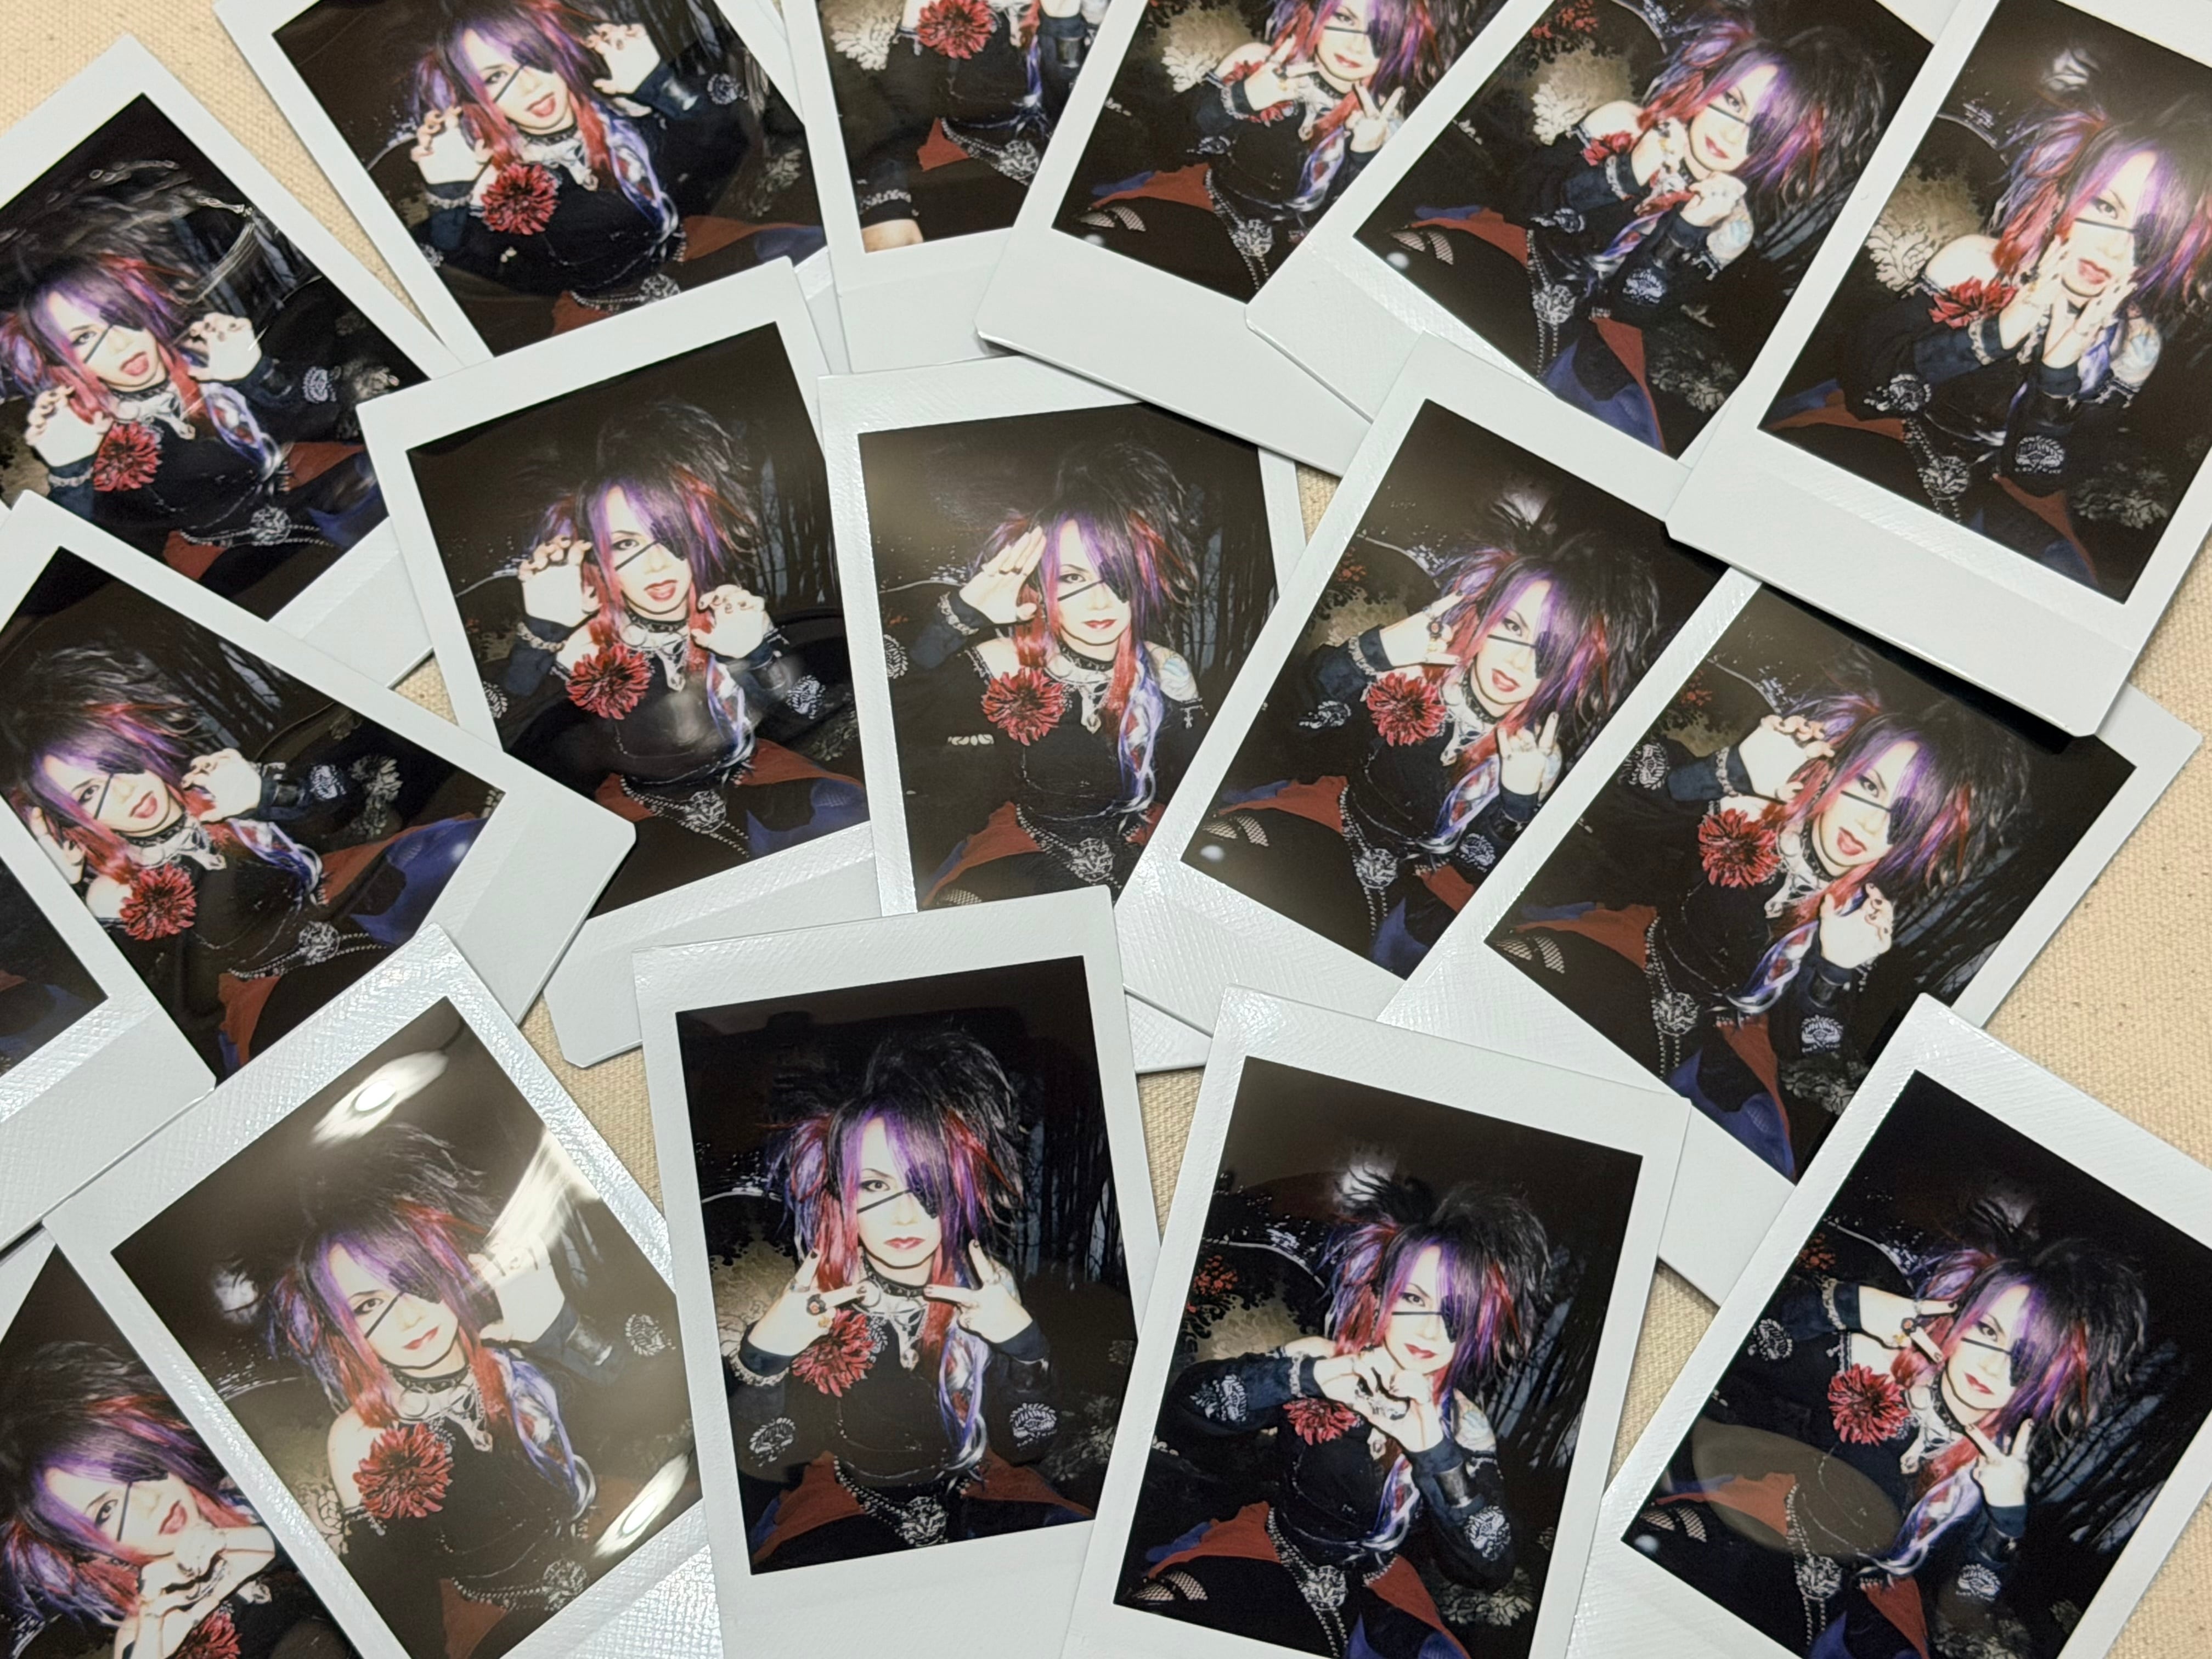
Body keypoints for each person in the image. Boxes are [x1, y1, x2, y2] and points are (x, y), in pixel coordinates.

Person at [1494, 692, 2028, 1177]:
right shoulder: (1754, 807)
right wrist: (1728, 771)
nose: (1870, 826)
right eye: (1869, 788)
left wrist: (1832, 972)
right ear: (1839, 767)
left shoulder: (1860, 917)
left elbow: (1808, 1045)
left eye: (1902, 822)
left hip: (1731, 1037)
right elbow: (1623, 786)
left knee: (1741, 1160)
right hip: (1641, 953)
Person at [249, 1122, 682, 1659]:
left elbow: (676, 1400)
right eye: (369, 1306)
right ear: (346, 1330)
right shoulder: (361, 1437)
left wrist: (562, 1331)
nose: (407, 1317)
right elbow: (391, 1598)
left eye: (414, 1279)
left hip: (619, 1544)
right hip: (504, 1622)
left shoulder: (522, 1343)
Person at [1373, 10, 1883, 448]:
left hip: (1591, 330)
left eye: (1761, 133)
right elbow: (1522, 201)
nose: (1731, 135)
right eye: (1732, 104)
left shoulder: (1732, 227)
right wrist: (1624, 174)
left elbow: (1632, 309)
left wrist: (1683, 233)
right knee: (1415, 292)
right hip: (1516, 251)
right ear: (1711, 84)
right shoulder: (1624, 123)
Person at [1771, 93, 2212, 591]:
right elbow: (1871, 389)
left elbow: (2038, 479)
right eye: (2105, 207)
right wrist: (1998, 333)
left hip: (2002, 496)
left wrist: (2057, 377)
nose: (2113, 246)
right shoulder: (1976, 264)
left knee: (2056, 589)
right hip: (1887, 435)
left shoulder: (2133, 345)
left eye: (2146, 237)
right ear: (2066, 193)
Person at [1634, 1230, 2146, 1659]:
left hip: (1865, 1608)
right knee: (1657, 1560)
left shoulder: (1994, 1470)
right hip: (1772, 1526)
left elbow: (1965, 1605)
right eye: (1988, 1331)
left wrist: (2005, 1519)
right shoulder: (1874, 1363)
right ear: (1963, 1316)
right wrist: (1846, 1306)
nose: (1992, 1367)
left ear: (2045, 1384)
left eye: (2024, 1361)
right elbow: (1734, 1344)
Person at [1193, 522, 1663, 972]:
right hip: (1333, 822)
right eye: (1513, 627)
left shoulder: (1538, 754)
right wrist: (1371, 655)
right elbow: (1294, 723)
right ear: (1486, 614)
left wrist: (1517, 806)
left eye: (1549, 654)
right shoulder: (1416, 668)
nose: (1519, 663)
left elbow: (1478, 868)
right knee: (1225, 867)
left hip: (1426, 895)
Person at [1123, 1167, 1550, 1659]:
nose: (1430, 1332)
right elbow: (1181, 1411)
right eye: (1414, 1299)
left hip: (1380, 1597)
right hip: (1267, 1554)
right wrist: (1306, 1378)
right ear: (1381, 1293)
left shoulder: (1463, 1424)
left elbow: (1491, 1568)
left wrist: (1433, 1451)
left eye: (1455, 1314)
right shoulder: (1320, 1359)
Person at [2, 644, 484, 1073]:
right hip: (271, 985)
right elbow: (144, 1004)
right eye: (90, 794)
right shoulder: (112, 893)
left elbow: (355, 798)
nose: (125, 792)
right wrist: (61, 895)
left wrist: (271, 794)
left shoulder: (219, 781)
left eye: (115, 763)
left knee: (458, 851)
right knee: (327, 1035)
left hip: (351, 892)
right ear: (75, 821)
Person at [728, 1029, 1081, 1565]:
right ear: (841, 1194)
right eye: (875, 1186)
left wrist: (1026, 1351)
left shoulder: (988, 1289)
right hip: (847, 1509)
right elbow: (768, 1457)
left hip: (982, 1493)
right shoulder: (817, 1299)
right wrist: (764, 1360)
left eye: (927, 1186)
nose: (904, 1216)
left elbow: (1029, 1442)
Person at [491, 403, 862, 901]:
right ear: (597, 556)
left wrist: (757, 655)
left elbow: (819, 715)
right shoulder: (579, 643)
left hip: (763, 782)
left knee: (846, 821)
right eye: (626, 545)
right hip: (647, 815)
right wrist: (539, 635)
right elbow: (492, 750)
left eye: (668, 536)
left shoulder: (729, 616)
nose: (657, 566)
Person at [0, 163, 399, 605]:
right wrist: (69, 473)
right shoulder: (81, 434)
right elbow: (62, 574)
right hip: (222, 551)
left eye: (118, 315)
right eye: (83, 339)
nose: (119, 343)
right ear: (61, 362)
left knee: (382, 486)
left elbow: (324, 402)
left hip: (304, 484)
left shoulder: (206, 354)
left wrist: (256, 372)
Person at [889, 440, 1205, 902]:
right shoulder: (1006, 662)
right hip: (1027, 852)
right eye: (1073, 577)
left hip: (1143, 848)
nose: (1099, 602)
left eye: (1116, 574)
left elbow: (1196, 787)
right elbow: (888, 716)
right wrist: (962, 614)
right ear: (1042, 584)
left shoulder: (1166, 668)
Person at [407, 0, 820, 319]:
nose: (530, 85)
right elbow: (465, 286)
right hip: (602, 314)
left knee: (815, 257)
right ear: (473, 99)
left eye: (532, 56)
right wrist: (449, 196)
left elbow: (731, 147)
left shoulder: (626, 115)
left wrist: (659, 87)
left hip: (694, 252)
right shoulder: (489, 180)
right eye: (497, 77)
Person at [0, 1341, 351, 1659]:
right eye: (107, 1510)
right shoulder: (144, 1638)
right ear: (93, 1552)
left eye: (132, 1465)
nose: (148, 1501)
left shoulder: (268, 1489)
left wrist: (239, 1540)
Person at [1072, 0, 1441, 297]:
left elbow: (1354, 233)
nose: (1357, 45)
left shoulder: (1386, 119)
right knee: (1100, 250)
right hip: (1205, 210)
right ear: (1316, 11)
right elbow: (1166, 145)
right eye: (1344, 18)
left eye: (1381, 34)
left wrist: (1365, 157)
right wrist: (1240, 99)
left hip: (1300, 258)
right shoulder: (1257, 62)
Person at [828, 0, 1097, 248]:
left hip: (1083, 178)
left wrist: (1063, 23)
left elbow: (1080, 108)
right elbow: (901, 108)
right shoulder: (937, 13)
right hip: (980, 178)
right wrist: (886, 206)